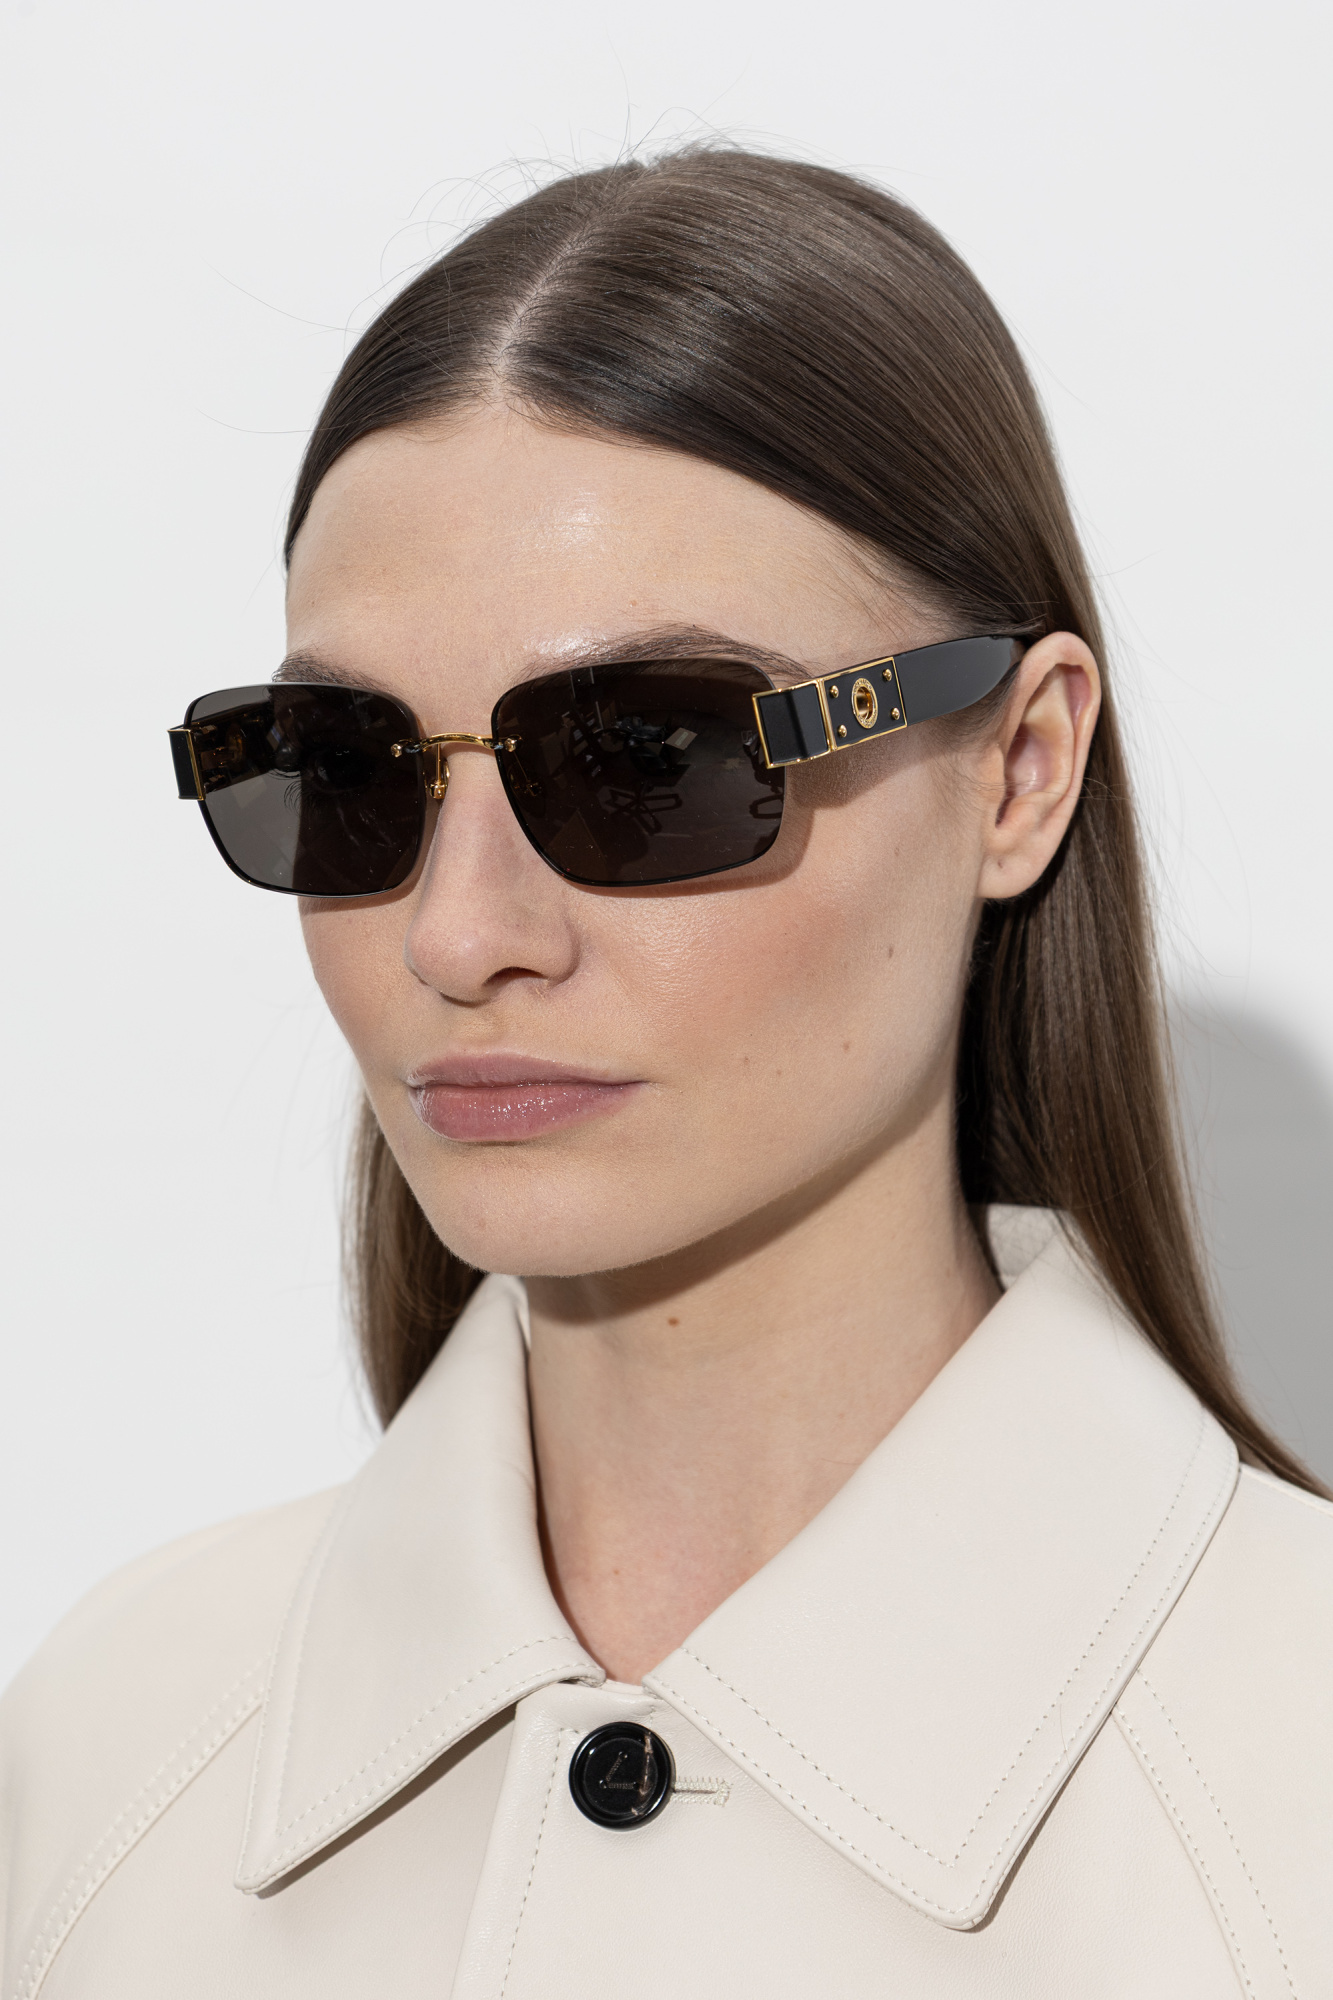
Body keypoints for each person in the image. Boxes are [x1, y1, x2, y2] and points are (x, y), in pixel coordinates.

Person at [2, 148, 1329, 1999]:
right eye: (347, 766)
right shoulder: (103, 1760)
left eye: (649, 757)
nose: (459, 933)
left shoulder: (1288, 1791)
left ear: (1017, 768)